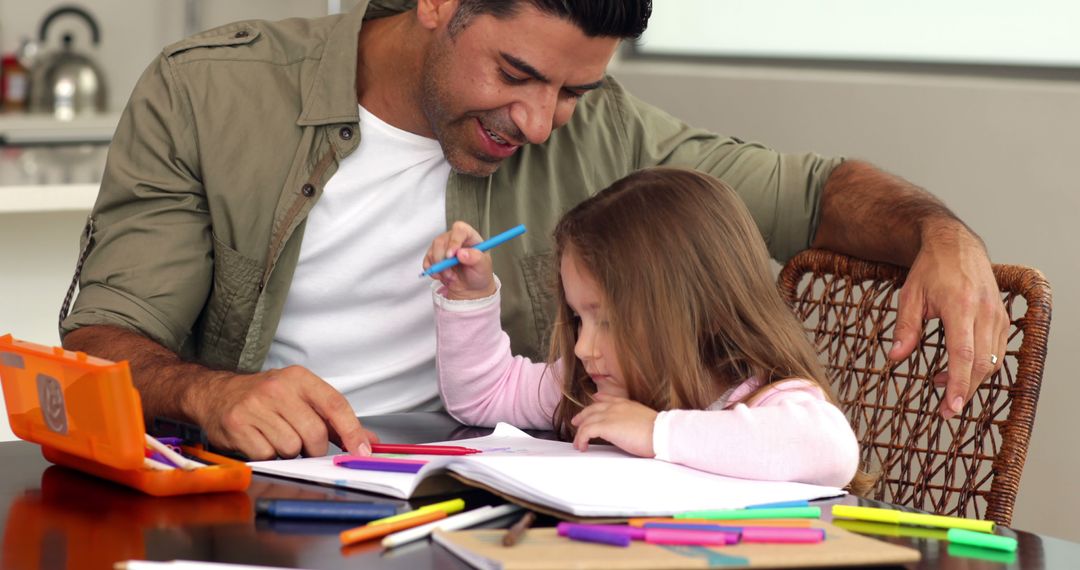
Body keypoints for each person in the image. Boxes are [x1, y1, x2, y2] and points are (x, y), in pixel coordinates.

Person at [60, 0, 1006, 460]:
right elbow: (103, 338)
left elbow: (803, 192)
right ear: (437, 2)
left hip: (499, 516)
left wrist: (939, 230)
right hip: (255, 498)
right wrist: (213, 392)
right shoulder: (209, 93)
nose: (544, 122)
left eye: (573, 89)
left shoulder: (607, 131)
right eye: (515, 73)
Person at [427, 167, 863, 487]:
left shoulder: (769, 398)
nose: (582, 349)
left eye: (610, 321)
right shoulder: (589, 389)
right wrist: (470, 298)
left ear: (698, 310)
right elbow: (484, 396)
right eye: (579, 319)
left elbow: (831, 451)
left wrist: (658, 432)